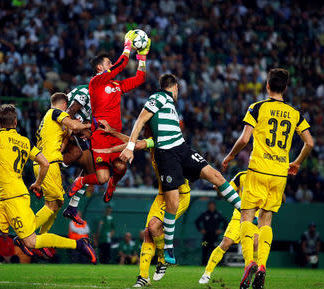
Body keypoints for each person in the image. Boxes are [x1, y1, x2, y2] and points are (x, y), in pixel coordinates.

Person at [0, 104, 96, 289]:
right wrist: (37, 183)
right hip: (7, 199)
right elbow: (44, 163)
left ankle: (78, 244)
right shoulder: (24, 141)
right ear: (15, 122)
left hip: (13, 198)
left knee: (31, 241)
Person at [120, 74, 241, 265]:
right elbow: (140, 121)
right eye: (178, 89)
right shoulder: (158, 97)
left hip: (182, 148)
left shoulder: (169, 103)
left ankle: (244, 210)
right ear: (175, 86)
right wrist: (129, 146)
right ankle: (168, 246)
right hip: (166, 155)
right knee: (173, 203)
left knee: (215, 175)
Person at [222, 68, 314, 289]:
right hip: (279, 173)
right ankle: (262, 265)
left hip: (258, 169)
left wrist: (230, 156)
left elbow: (244, 139)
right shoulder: (294, 113)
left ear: (268, 86)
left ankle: (248, 263)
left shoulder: (257, 108)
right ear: (285, 87)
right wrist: (297, 162)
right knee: (266, 220)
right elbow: (309, 143)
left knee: (246, 217)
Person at [91, 121, 192, 287]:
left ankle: (162, 258)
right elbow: (133, 143)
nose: (143, 130)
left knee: (153, 227)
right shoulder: (152, 143)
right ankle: (144, 277)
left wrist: (109, 150)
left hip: (179, 195)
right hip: (162, 194)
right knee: (147, 232)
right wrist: (112, 132)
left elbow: (135, 145)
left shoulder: (159, 141)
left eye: (145, 127)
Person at [66, 30, 150, 217]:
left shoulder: (117, 86)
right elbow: (121, 65)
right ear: (99, 68)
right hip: (101, 137)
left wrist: (142, 57)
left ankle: (114, 183)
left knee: (120, 167)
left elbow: (140, 79)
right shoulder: (95, 82)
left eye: (111, 63)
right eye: (107, 63)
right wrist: (128, 46)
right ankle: (80, 182)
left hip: (115, 134)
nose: (111, 65)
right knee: (102, 177)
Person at [33, 93, 91, 232]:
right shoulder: (55, 112)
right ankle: (27, 232)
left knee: (58, 203)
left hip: (48, 162)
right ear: (65, 105)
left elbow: (65, 138)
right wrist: (90, 125)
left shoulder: (50, 120)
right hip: (47, 162)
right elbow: (73, 125)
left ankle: (42, 236)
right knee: (52, 205)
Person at [199, 171, 262, 284]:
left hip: (256, 217)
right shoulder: (241, 176)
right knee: (225, 243)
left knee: (256, 244)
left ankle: (253, 276)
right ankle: (207, 273)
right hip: (240, 215)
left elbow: (281, 198)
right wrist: (219, 188)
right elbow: (226, 190)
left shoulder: (267, 177)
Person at [61, 85, 96, 220]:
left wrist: (86, 131)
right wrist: (81, 130)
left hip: (74, 130)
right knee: (77, 154)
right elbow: (68, 113)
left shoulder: (98, 101)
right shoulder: (86, 92)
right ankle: (53, 168)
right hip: (61, 126)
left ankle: (72, 207)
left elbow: (86, 121)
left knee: (92, 168)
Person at [195, 201, 228, 266]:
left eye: (212, 205)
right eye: (210, 205)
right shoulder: (205, 213)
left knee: (215, 250)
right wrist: (201, 229)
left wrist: (221, 230)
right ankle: (203, 264)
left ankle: (217, 264)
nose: (211, 207)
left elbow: (225, 222)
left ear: (214, 206)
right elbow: (197, 221)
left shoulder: (218, 214)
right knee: (205, 249)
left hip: (215, 237)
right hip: (206, 236)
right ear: (208, 206)